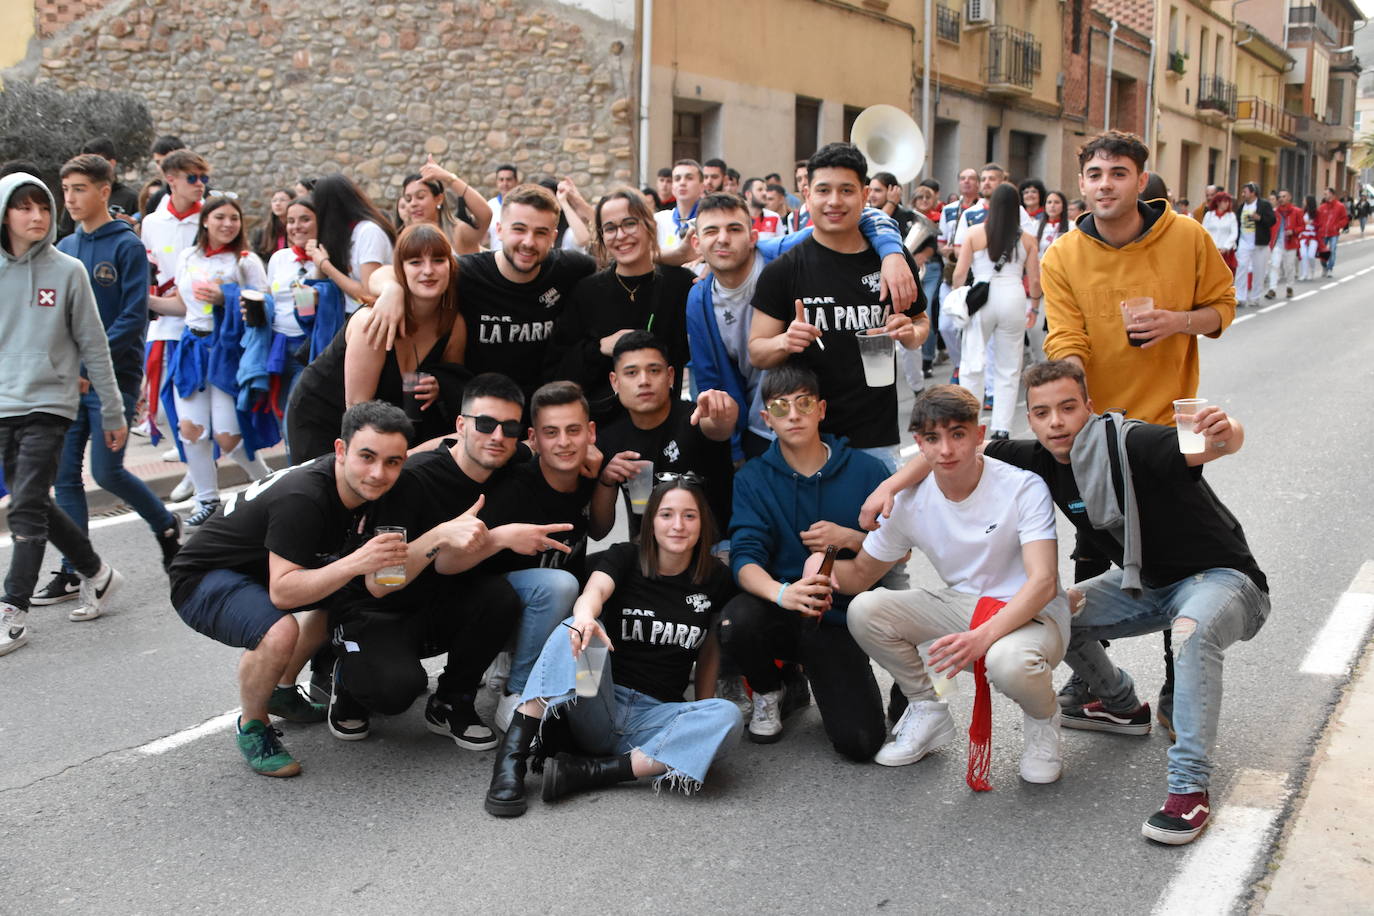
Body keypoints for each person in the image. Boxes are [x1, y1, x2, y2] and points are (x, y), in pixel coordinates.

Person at [864, 359, 1267, 844]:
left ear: (1089, 408)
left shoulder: (1132, 444)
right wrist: (889, 486)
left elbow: (1216, 444)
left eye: (1068, 408)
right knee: (1055, 607)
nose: (1056, 421)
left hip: (1223, 580)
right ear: (1030, 419)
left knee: (1191, 632)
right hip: (1146, 582)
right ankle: (1119, 705)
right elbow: (950, 447)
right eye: (1042, 412)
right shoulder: (1035, 458)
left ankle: (1188, 790)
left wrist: (1228, 428)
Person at [167, 401, 414, 775]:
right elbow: (283, 593)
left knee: (346, 588)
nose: (379, 473)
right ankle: (253, 725)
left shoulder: (351, 482)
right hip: (203, 577)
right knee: (279, 630)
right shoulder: (305, 497)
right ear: (341, 450)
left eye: (393, 462)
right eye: (367, 457)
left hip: (257, 569)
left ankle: (281, 691)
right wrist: (357, 561)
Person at [835, 385, 1067, 782]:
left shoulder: (1022, 486)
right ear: (919, 445)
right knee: (866, 610)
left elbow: (1043, 582)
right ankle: (927, 709)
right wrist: (817, 567)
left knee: (1006, 662)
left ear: (979, 436)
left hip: (1033, 611)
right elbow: (858, 578)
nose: (945, 450)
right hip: (963, 605)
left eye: (958, 434)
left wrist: (981, 639)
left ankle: (1044, 720)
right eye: (932, 438)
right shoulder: (908, 502)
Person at [485, 474, 742, 817]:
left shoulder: (716, 578)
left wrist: (699, 714)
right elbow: (594, 592)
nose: (677, 525)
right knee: (575, 630)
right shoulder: (625, 557)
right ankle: (511, 759)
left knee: (727, 716)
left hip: (655, 716)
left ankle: (593, 773)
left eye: (689, 516)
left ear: (702, 524)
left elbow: (710, 647)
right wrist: (585, 616)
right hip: (597, 700)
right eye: (666, 514)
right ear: (650, 521)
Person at [325, 376, 543, 751]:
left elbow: (540, 452)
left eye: (509, 428)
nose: (497, 436)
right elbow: (381, 584)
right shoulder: (411, 481)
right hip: (377, 608)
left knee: (498, 597)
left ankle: (451, 703)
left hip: (437, 600)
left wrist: (594, 460)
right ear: (461, 426)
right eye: (486, 424)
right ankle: (346, 682)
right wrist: (442, 534)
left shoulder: (512, 459)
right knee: (394, 692)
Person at [718, 363, 890, 757]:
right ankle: (770, 687)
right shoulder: (753, 479)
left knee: (861, 743)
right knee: (735, 623)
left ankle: (816, 680)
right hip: (778, 610)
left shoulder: (868, 470)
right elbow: (744, 557)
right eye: (780, 407)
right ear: (766, 419)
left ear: (821, 409)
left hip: (839, 617)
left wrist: (852, 538)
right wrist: (783, 594)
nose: (792, 415)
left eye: (803, 403)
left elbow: (903, 548)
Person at [38, 156, 181, 612]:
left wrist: (88, 365)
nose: (70, 198)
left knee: (107, 471)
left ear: (104, 190)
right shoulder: (63, 246)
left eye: (80, 188)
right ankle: (74, 568)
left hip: (112, 376)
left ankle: (166, 525)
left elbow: (133, 316)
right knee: (64, 477)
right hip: (69, 379)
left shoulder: (126, 246)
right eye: (65, 189)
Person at [0, 173, 128, 656]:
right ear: (5, 214)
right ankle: (96, 571)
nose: (37, 217)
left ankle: (11, 609)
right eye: (24, 208)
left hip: (51, 403)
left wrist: (113, 412)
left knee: (25, 505)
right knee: (34, 502)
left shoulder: (69, 270)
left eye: (44, 207)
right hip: (2, 403)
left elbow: (95, 346)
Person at [687, 191, 909, 461]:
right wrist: (735, 453)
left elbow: (865, 215)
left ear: (753, 236)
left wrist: (892, 254)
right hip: (759, 431)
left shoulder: (785, 256)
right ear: (697, 243)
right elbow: (713, 385)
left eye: (734, 229)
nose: (723, 238)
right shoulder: (698, 300)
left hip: (820, 424)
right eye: (712, 231)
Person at [749, 142, 927, 473]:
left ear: (864, 194)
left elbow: (920, 322)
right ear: (807, 193)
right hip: (803, 436)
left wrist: (910, 333)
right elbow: (757, 352)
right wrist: (785, 341)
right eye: (823, 190)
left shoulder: (892, 264)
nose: (834, 201)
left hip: (876, 436)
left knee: (873, 525)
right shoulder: (783, 270)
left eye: (846, 190)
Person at [1041, 131, 1236, 427]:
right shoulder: (1060, 256)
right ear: (1082, 184)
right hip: (1099, 424)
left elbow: (1223, 309)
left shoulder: (1188, 235)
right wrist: (1073, 402)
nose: (1105, 184)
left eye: (1119, 174)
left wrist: (1178, 321)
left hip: (1171, 422)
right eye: (1094, 175)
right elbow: (1066, 340)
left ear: (1141, 182)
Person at [360, 183, 596, 411]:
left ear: (553, 237)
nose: (528, 242)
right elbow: (384, 274)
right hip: (480, 415)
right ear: (500, 230)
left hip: (542, 410)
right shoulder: (467, 273)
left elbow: (610, 266)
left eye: (541, 233)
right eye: (519, 229)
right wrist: (392, 289)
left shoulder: (570, 269)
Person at [472, 381, 618, 731]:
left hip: (552, 606)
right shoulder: (512, 486)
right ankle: (516, 691)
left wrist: (603, 481)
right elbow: (468, 566)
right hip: (496, 610)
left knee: (600, 594)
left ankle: (583, 711)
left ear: (591, 432)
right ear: (533, 439)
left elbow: (599, 530)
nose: (564, 442)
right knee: (561, 584)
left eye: (573, 430)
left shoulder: (587, 473)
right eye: (551, 433)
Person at [286, 223, 465, 461]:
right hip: (325, 415)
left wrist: (439, 384)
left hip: (386, 420)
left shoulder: (453, 324)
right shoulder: (371, 321)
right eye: (415, 262)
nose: (428, 270)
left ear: (451, 267)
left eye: (439, 260)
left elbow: (452, 380)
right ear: (400, 270)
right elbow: (356, 408)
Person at [148, 195, 273, 526]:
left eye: (234, 218)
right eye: (220, 217)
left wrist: (226, 297)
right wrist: (146, 300)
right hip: (191, 348)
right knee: (190, 431)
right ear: (205, 221)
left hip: (227, 355)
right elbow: (182, 304)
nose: (228, 224)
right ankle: (206, 499)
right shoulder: (189, 256)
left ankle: (268, 484)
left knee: (228, 438)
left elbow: (263, 308)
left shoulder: (246, 261)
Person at [546, 187, 695, 420]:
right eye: (610, 228)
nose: (621, 235)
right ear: (602, 236)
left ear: (649, 226)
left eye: (629, 223)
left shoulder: (680, 285)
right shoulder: (586, 292)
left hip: (664, 425)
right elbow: (561, 369)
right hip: (604, 427)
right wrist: (599, 348)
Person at [595, 331, 736, 540]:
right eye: (631, 373)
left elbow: (718, 426)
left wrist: (723, 409)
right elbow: (599, 532)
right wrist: (606, 480)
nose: (644, 381)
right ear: (615, 382)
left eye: (653, 370)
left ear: (670, 376)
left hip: (712, 548)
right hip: (646, 552)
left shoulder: (694, 417)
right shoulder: (609, 438)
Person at [262, 195, 320, 420]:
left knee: (294, 418)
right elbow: (271, 297)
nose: (296, 227)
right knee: (280, 416)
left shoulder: (326, 259)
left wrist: (319, 261)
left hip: (307, 349)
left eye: (305, 220)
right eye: (291, 221)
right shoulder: (279, 258)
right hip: (277, 345)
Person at [308, 173, 395, 313]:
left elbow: (368, 294)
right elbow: (321, 283)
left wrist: (326, 265)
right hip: (348, 316)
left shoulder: (369, 232)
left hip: (371, 317)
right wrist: (318, 259)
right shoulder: (342, 235)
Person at [406, 156, 493, 255]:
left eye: (420, 197)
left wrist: (449, 178)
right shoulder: (407, 239)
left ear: (439, 199)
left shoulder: (458, 233)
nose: (413, 203)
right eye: (408, 199)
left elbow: (485, 214)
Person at [1234, 182, 1275, 307]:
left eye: (1245, 192)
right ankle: (1240, 297)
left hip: (1259, 243)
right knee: (1241, 267)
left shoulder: (1264, 205)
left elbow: (1272, 220)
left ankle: (1255, 297)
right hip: (1244, 242)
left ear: (1253, 193)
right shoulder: (1242, 207)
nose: (1243, 194)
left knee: (1259, 270)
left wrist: (1260, 218)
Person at [653, 159, 705, 252]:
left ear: (702, 187)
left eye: (689, 178)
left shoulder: (708, 221)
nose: (682, 183)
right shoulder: (659, 220)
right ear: (673, 187)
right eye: (677, 179)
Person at [1266, 189, 1302, 300]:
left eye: (1284, 196)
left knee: (1289, 267)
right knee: (1275, 265)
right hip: (1277, 244)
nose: (1281, 199)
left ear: (1289, 197)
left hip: (1290, 243)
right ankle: (1272, 289)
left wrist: (1293, 231)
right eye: (1280, 197)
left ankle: (1289, 286)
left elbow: (1302, 226)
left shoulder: (1297, 211)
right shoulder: (1275, 212)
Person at [251, 188, 294, 262]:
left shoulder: (296, 230)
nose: (277, 203)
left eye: (282, 200)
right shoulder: (261, 233)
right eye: (274, 201)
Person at [870, 171, 916, 239]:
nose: (871, 195)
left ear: (892, 191)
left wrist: (891, 203)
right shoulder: (866, 210)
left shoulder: (902, 215)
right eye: (870, 190)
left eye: (877, 190)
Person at [484, 163, 519, 251]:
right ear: (496, 182)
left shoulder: (524, 205)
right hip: (496, 260)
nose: (505, 183)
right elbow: (483, 238)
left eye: (508, 179)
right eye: (501, 180)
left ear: (516, 181)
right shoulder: (490, 206)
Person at [1202, 191, 1238, 274]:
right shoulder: (1209, 215)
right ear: (1218, 202)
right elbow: (1204, 231)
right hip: (1212, 249)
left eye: (1228, 202)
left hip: (1226, 251)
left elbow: (1234, 233)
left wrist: (1226, 247)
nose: (1227, 204)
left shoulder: (1231, 216)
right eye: (1225, 202)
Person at [1317, 187, 1349, 277]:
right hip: (1323, 233)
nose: (1324, 196)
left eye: (1326, 194)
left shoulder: (1340, 206)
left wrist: (1337, 226)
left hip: (1334, 233)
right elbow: (1317, 219)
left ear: (1331, 194)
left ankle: (1330, 268)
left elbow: (1345, 219)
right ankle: (1324, 266)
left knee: (1333, 250)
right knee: (1322, 251)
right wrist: (1318, 228)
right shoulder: (1322, 207)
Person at [1298, 195, 1320, 281]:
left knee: (1311, 255)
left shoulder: (1317, 213)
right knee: (1303, 255)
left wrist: (1312, 223)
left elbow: (1320, 224)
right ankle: (1304, 273)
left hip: (1313, 236)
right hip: (1303, 235)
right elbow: (1299, 223)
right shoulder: (1302, 212)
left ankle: (1312, 271)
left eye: (1305, 200)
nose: (1303, 202)